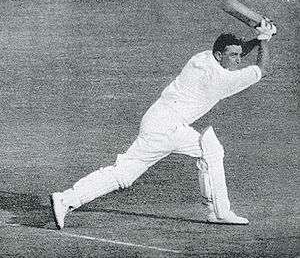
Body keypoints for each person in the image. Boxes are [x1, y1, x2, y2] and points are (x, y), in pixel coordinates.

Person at [50, 19, 276, 229]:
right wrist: (264, 40)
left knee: (209, 151)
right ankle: (219, 212)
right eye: (233, 56)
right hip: (168, 129)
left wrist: (257, 39)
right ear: (219, 55)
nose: (238, 60)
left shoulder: (202, 58)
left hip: (160, 120)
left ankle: (67, 198)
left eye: (239, 55)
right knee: (205, 152)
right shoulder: (221, 80)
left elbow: (236, 50)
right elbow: (261, 70)